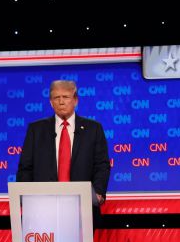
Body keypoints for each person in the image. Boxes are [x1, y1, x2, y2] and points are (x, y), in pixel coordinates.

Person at [17, 80, 111, 224]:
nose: (61, 102)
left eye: (66, 97)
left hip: (82, 208)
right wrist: (25, 199)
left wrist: (98, 192)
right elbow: (25, 168)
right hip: (42, 209)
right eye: (56, 97)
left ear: (75, 100)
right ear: (50, 102)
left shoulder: (93, 129)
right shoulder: (36, 129)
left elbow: (102, 165)